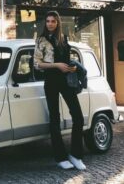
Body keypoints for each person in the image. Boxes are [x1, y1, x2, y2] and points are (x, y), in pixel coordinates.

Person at [34, 11, 86, 170]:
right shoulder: (41, 40)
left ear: (57, 23)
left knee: (78, 116)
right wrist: (57, 65)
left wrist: (70, 67)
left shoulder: (63, 39)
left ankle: (76, 155)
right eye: (48, 21)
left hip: (66, 81)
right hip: (51, 81)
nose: (50, 24)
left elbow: (66, 60)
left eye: (53, 21)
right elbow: (37, 64)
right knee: (55, 119)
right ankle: (60, 157)